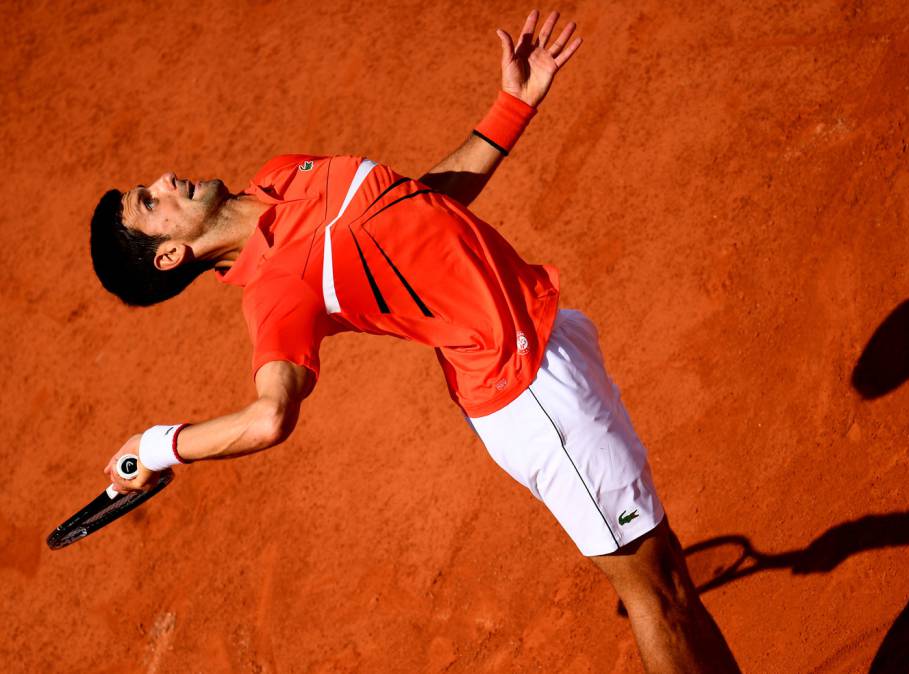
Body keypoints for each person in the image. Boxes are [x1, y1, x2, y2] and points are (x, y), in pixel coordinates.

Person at [91, 10, 739, 674]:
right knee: (660, 596)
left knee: (670, 579)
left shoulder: (281, 177)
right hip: (531, 399)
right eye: (150, 202)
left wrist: (511, 110)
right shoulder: (275, 294)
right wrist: (159, 446)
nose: (165, 179)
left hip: (549, 338)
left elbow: (416, 205)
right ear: (170, 256)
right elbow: (269, 417)